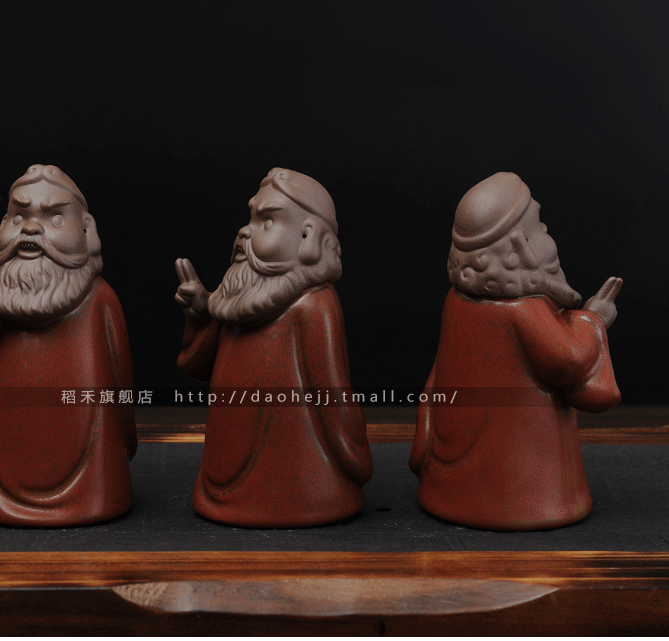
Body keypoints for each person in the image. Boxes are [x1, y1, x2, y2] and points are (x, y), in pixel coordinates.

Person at [0, 165, 137, 527]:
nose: (31, 228)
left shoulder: (100, 300)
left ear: (87, 230)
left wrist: (121, 440)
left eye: (54, 218)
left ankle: (98, 492)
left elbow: (120, 376)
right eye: (18, 217)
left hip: (87, 457)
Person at [409, 171, 622, 530]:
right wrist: (594, 319)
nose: (547, 231)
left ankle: (451, 495)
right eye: (539, 226)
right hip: (524, 463)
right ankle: (529, 504)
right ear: (518, 246)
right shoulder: (524, 309)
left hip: (463, 443)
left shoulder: (457, 300)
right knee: (517, 471)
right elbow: (567, 360)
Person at [175, 167, 373, 527]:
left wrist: (352, 453)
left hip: (304, 474)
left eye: (267, 221)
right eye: (250, 218)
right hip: (226, 461)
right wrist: (203, 315)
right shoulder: (234, 300)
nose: (244, 231)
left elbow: (331, 391)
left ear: (307, 237)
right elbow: (199, 367)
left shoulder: (313, 305)